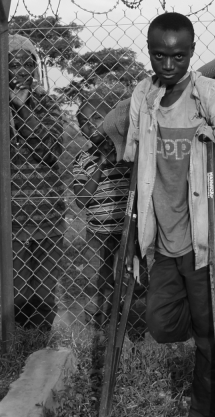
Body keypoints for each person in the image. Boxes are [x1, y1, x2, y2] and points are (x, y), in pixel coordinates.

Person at [126, 12, 215, 417]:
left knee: (209, 336)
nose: (168, 65)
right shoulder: (143, 97)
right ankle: (212, 304)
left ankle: (205, 409)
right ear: (149, 53)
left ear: (191, 53)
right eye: (159, 56)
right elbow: (135, 168)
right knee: (161, 324)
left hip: (206, 236)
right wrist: (132, 233)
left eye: (178, 57)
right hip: (164, 237)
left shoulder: (210, 95)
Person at [0, 35, 67, 331]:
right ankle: (17, 350)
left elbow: (49, 149)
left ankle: (38, 353)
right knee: (17, 291)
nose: (24, 70)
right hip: (9, 215)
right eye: (14, 64)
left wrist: (19, 107)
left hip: (47, 214)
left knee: (44, 295)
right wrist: (0, 104)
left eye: (30, 63)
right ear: (1, 70)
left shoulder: (45, 103)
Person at [72, 82, 136, 326]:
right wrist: (99, 165)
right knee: (99, 274)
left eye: (96, 118)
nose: (89, 125)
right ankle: (100, 316)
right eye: (83, 123)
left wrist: (117, 155)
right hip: (98, 232)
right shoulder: (82, 159)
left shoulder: (126, 151)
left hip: (127, 228)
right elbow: (81, 200)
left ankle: (126, 314)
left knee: (128, 272)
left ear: (109, 119)